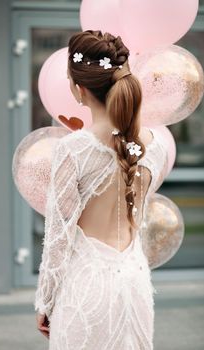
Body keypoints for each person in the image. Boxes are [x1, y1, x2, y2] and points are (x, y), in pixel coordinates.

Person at [34, 30, 167, 349]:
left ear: (79, 89)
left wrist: (46, 303)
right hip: (133, 284)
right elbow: (139, 214)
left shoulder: (72, 149)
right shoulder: (155, 146)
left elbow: (58, 236)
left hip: (86, 286)